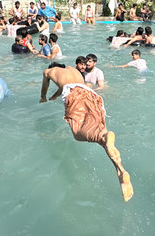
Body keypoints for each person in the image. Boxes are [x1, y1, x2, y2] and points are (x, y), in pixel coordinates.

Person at [38, 64, 134, 201]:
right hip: (90, 94)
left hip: (74, 96)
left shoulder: (48, 71)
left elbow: (45, 88)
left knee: (78, 133)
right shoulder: (72, 69)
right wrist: (55, 96)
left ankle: (108, 144)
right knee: (100, 136)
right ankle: (120, 170)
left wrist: (43, 98)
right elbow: (66, 85)